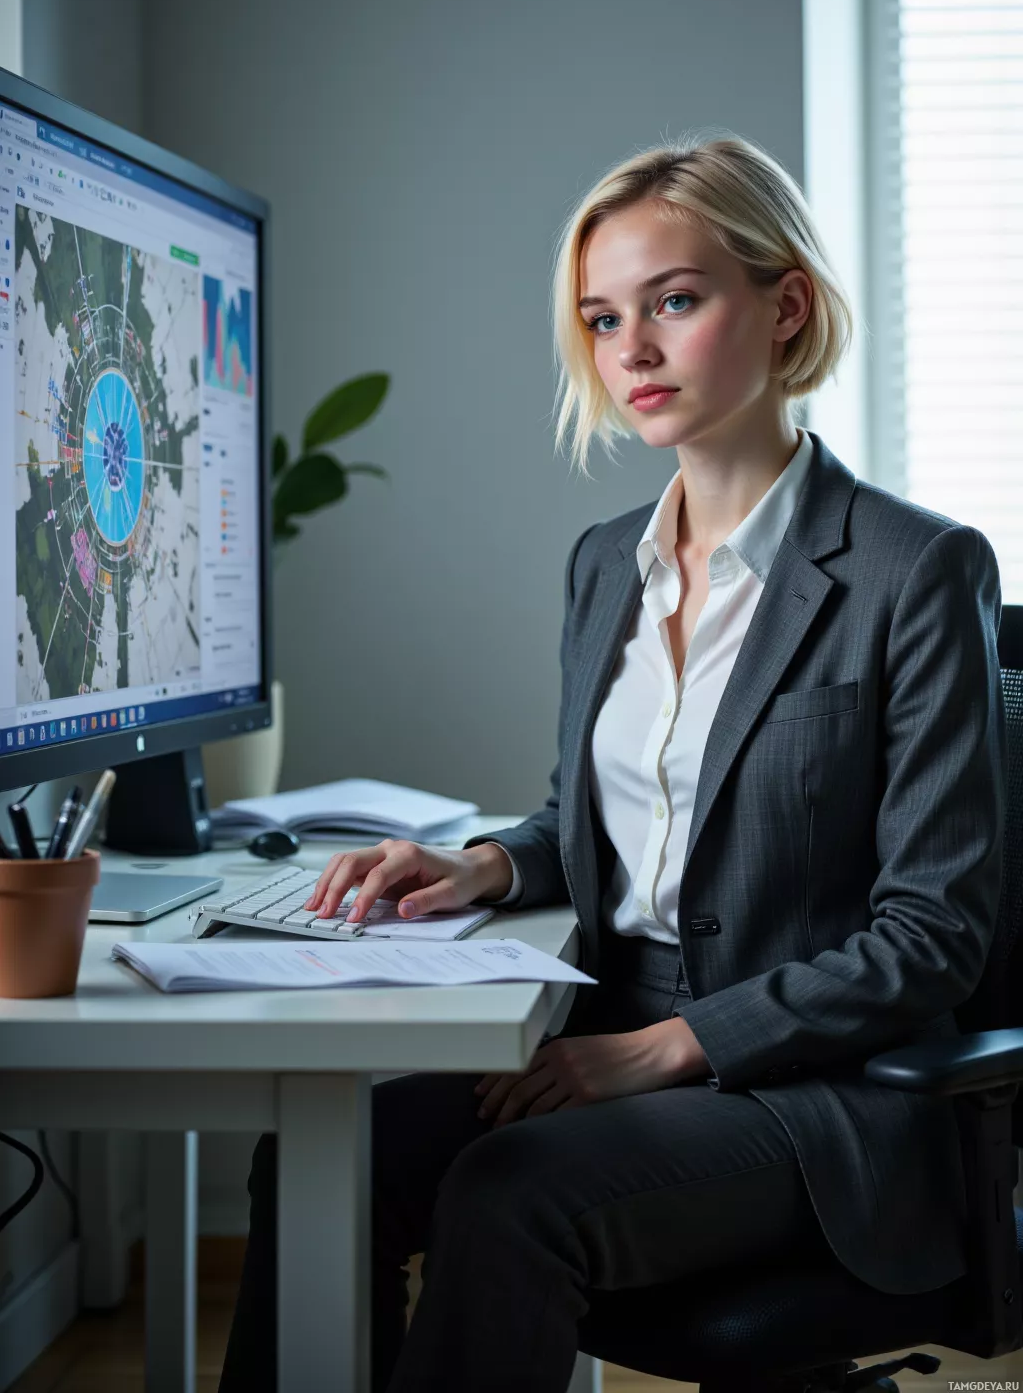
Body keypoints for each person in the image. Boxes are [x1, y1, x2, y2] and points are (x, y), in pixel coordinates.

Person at [218, 133, 1005, 1393]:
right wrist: (483, 866)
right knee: (328, 1151)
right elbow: (605, 823)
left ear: (784, 303)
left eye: (673, 302)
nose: (628, 350)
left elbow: (932, 935)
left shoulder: (918, 570)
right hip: (604, 1025)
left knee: (507, 1193)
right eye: (600, 318)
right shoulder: (604, 564)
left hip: (815, 1097)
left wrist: (668, 1047)